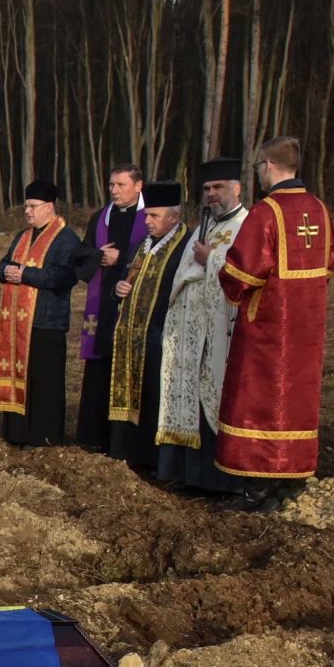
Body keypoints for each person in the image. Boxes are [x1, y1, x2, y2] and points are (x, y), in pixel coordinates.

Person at [216, 136, 334, 501]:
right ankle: (293, 476)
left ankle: (259, 481)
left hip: (268, 326)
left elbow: (243, 271)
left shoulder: (266, 212)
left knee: (259, 398)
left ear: (267, 166)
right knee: (298, 397)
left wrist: (226, 280)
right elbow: (329, 265)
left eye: (258, 168)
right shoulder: (319, 209)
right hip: (309, 325)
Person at [156, 158, 251, 495]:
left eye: (218, 187)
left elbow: (245, 275)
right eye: (207, 188)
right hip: (192, 334)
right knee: (191, 398)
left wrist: (210, 259)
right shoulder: (202, 227)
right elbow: (183, 274)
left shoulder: (247, 226)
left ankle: (220, 480)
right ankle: (191, 476)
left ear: (236, 189)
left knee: (219, 399)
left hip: (225, 331)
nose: (211, 194)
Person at [105, 182, 192, 472]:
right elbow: (125, 278)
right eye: (146, 216)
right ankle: (125, 451)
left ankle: (151, 459)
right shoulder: (143, 245)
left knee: (154, 394)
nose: (147, 221)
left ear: (174, 217)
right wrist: (118, 287)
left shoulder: (185, 245)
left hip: (162, 336)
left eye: (154, 216)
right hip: (132, 334)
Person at [0, 180, 81, 447]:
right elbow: (3, 265)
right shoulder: (23, 235)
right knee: (22, 376)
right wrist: (5, 271)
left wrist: (24, 274)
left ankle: (44, 437)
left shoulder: (66, 239)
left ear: (49, 207)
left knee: (44, 383)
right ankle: (17, 433)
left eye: (33, 206)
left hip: (47, 321)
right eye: (26, 206)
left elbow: (63, 276)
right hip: (17, 323)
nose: (28, 211)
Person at [72, 165, 146, 450]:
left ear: (138, 186)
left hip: (133, 301)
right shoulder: (100, 217)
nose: (114, 190)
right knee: (99, 368)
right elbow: (82, 251)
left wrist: (121, 257)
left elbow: (154, 255)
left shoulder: (149, 217)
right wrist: (98, 255)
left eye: (121, 185)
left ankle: (122, 440)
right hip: (101, 303)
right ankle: (94, 436)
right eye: (111, 185)